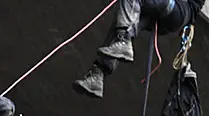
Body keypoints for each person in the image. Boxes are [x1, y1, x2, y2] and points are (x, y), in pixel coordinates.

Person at [74, 0, 205, 98]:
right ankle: (98, 74)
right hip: (171, 14)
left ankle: (123, 40)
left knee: (126, 24)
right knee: (125, 19)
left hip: (177, 7)